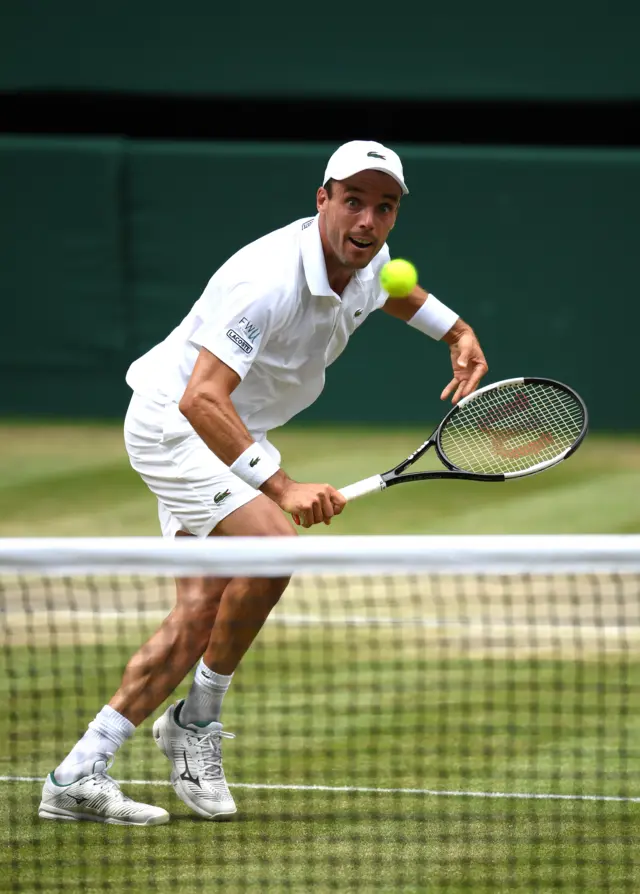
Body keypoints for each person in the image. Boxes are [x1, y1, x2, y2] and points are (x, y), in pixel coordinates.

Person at [38, 140, 488, 825]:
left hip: (228, 426)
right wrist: (280, 488)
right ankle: (197, 722)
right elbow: (200, 400)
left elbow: (394, 289)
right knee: (273, 544)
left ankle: (76, 774)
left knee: (199, 616)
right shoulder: (267, 282)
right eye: (353, 202)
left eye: (384, 207)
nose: (367, 221)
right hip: (179, 424)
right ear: (322, 200)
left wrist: (455, 331)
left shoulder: (367, 264)